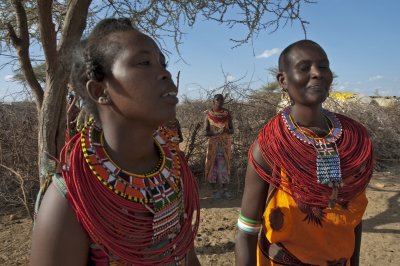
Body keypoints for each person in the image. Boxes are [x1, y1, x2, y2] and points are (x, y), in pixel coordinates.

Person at [31, 18, 200, 266]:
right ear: (100, 92)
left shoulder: (175, 172)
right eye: (144, 63)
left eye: (163, 63)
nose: (165, 73)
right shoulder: (70, 199)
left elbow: (187, 256)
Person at [235, 40, 374, 265]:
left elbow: (354, 220)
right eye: (304, 67)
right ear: (283, 80)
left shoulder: (355, 142)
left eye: (323, 66)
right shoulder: (270, 147)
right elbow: (246, 232)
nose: (317, 73)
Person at [204, 93, 234, 199]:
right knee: (212, 166)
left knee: (224, 166)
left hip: (224, 144)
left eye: (221, 100)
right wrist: (215, 133)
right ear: (213, 101)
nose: (220, 101)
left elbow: (232, 130)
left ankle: (225, 190)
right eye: (217, 99)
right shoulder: (208, 114)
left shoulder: (227, 113)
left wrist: (226, 130)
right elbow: (205, 132)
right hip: (213, 144)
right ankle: (214, 191)